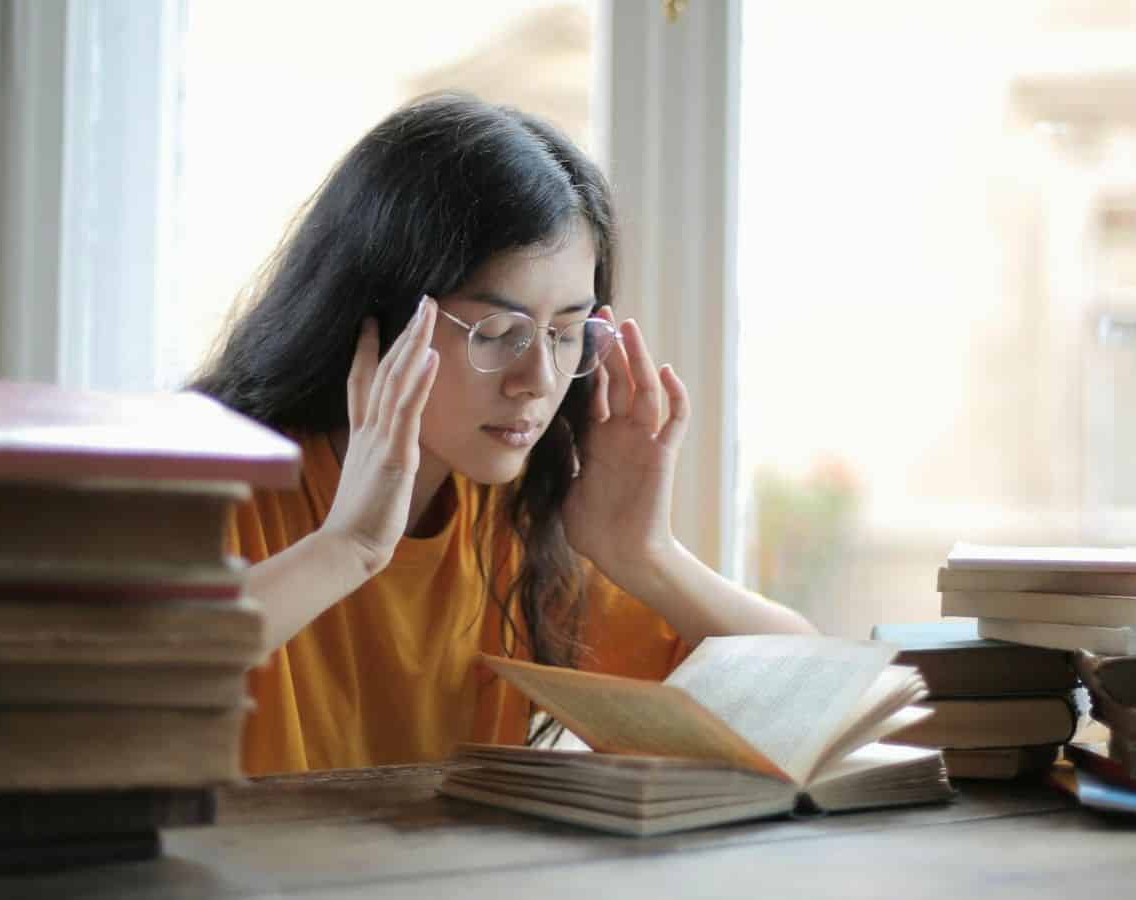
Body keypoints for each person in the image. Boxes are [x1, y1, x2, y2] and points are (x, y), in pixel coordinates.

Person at [191, 93, 815, 776]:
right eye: (496, 333)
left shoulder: (513, 518)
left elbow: (809, 695)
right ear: (377, 318)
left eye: (566, 333)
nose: (538, 379)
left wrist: (644, 553)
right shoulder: (209, 487)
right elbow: (108, 679)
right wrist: (350, 546)